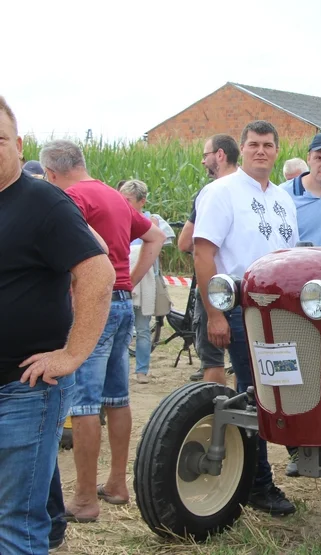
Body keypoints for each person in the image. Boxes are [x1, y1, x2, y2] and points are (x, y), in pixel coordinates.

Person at [0, 97, 115, 554]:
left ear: (18, 144)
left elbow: (97, 272)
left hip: (24, 388)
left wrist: (71, 354)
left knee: (15, 521)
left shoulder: (43, 202)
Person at [39, 139, 166, 523]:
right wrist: (130, 278)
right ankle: (116, 484)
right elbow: (156, 237)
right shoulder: (114, 196)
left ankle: (83, 498)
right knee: (117, 397)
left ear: (51, 173)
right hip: (123, 302)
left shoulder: (72, 198)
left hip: (95, 303)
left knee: (84, 404)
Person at [193, 120, 298, 516]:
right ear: (241, 148)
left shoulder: (283, 198)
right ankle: (258, 485)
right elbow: (203, 255)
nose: (261, 151)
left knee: (279, 385)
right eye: (253, 144)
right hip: (239, 304)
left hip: (280, 307)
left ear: (275, 151)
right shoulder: (221, 193)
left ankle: (279, 461)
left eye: (268, 145)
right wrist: (215, 315)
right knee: (256, 393)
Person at [178, 134, 240, 385]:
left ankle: (218, 421)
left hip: (216, 288)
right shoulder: (255, 190)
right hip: (249, 288)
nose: (203, 162)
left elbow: (184, 242)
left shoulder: (212, 192)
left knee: (213, 362)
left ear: (220, 155)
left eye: (206, 155)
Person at [119, 179, 174, 384]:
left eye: (128, 200)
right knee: (121, 331)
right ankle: (121, 371)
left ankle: (141, 370)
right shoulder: (117, 218)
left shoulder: (152, 221)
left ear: (142, 201)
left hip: (144, 281)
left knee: (142, 329)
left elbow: (160, 247)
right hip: (122, 279)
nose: (124, 204)